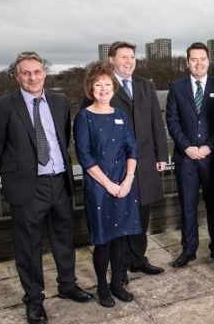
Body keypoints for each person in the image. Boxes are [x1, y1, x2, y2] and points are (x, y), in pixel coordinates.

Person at [0, 52, 93, 324]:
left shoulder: (58, 102)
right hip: (27, 188)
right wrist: (18, 176)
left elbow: (62, 140)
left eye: (37, 71)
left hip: (60, 182)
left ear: (44, 72)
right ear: (17, 76)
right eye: (26, 73)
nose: (32, 77)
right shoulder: (2, 105)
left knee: (64, 239)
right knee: (28, 246)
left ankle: (67, 285)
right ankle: (34, 301)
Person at [81, 41, 168, 285]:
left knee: (143, 212)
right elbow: (87, 125)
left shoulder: (146, 85)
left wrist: (162, 155)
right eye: (124, 57)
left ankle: (138, 259)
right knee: (120, 217)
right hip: (115, 167)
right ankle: (120, 269)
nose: (129, 61)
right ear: (112, 60)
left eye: (132, 57)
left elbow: (155, 123)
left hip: (146, 161)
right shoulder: (103, 86)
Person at [74, 62, 140, 307]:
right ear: (91, 89)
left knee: (121, 237)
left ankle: (116, 284)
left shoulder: (121, 115)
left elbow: (132, 148)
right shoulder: (84, 117)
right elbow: (84, 157)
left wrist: (128, 179)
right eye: (98, 85)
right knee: (103, 240)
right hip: (99, 188)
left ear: (114, 88)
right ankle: (102, 287)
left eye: (107, 85)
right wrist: (109, 184)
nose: (103, 89)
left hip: (124, 184)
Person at [166, 42, 214, 268]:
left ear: (208, 61)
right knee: (188, 204)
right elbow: (172, 121)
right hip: (186, 158)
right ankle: (189, 249)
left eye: (202, 58)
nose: (199, 63)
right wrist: (186, 147)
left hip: (212, 157)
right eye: (194, 59)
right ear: (187, 63)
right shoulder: (176, 87)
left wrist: (208, 147)